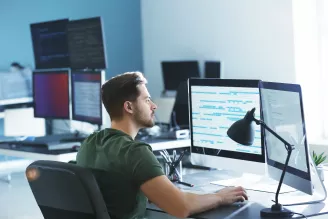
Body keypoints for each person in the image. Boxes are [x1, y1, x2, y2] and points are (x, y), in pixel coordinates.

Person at [76, 72, 248, 219]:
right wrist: (219, 197)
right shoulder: (135, 152)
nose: (154, 106)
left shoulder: (89, 143)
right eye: (147, 100)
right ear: (129, 107)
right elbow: (182, 207)